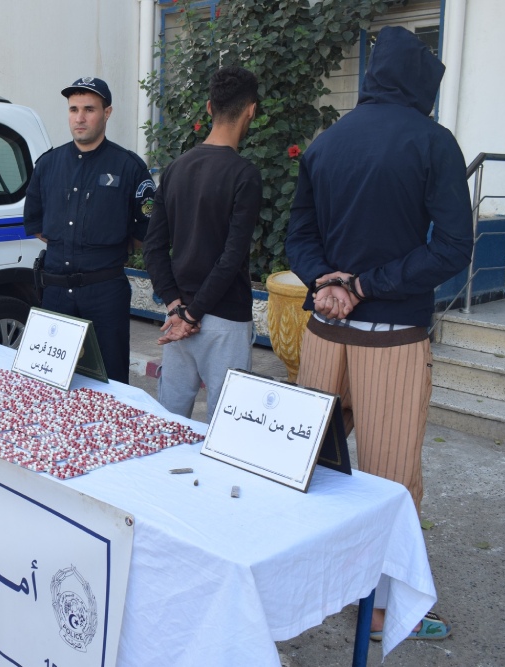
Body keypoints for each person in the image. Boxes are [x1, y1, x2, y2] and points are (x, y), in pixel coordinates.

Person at [287, 26, 473, 642]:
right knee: (391, 479)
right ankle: (384, 610)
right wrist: (365, 285)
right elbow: (454, 247)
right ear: (419, 80)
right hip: (391, 338)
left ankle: (304, 581)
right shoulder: (433, 141)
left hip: (323, 329)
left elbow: (298, 237)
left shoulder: (326, 142)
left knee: (309, 463)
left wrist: (328, 282)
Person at [143, 66, 261, 421]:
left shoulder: (175, 169)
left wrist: (176, 306)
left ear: (209, 107)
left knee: (170, 424)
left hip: (178, 316)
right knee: (226, 429)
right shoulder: (245, 174)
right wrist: (191, 313)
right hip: (223, 320)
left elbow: (153, 247)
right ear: (251, 111)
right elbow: (232, 257)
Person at [23, 77, 155, 384]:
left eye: (89, 109)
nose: (79, 118)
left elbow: (144, 231)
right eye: (73, 109)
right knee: (49, 380)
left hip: (105, 294)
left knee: (111, 382)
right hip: (55, 293)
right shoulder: (48, 165)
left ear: (107, 113)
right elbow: (39, 226)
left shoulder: (129, 167)